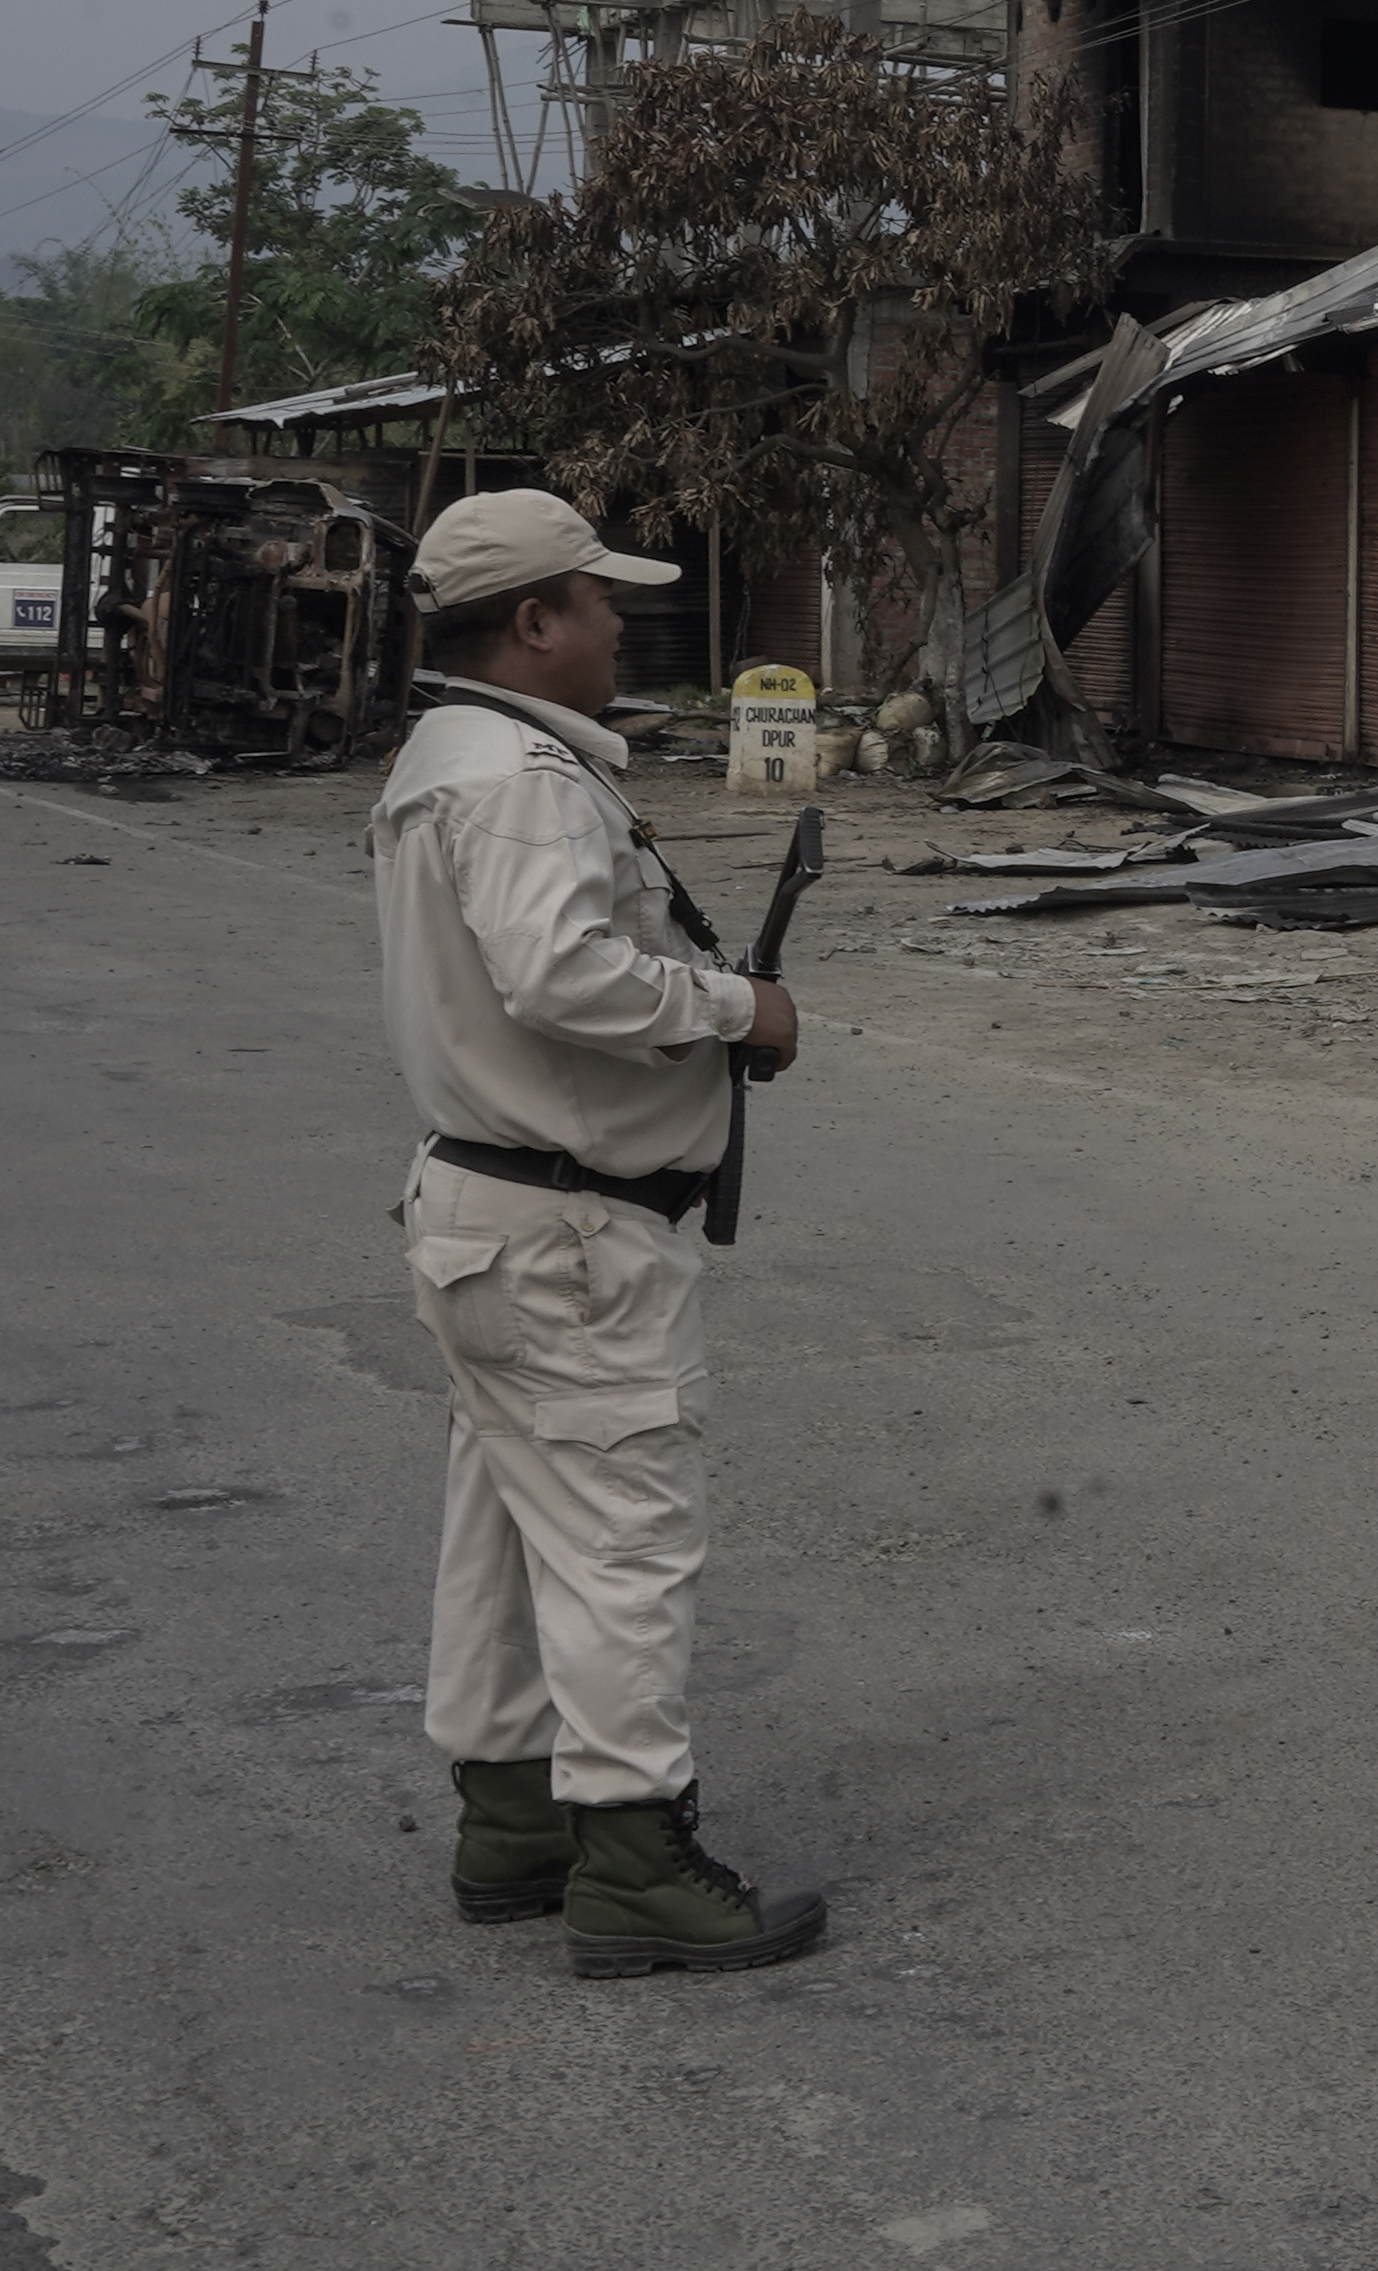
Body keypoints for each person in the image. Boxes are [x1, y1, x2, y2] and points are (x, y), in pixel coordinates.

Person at [370, 489, 827, 1977]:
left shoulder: (450, 755)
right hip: (567, 1232)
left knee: (503, 1531)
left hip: (487, 1210)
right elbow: (562, 973)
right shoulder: (518, 776)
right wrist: (728, 1009)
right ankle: (635, 1860)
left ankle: (514, 1826)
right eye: (601, 598)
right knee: (627, 1534)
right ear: (533, 621)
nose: (624, 621)